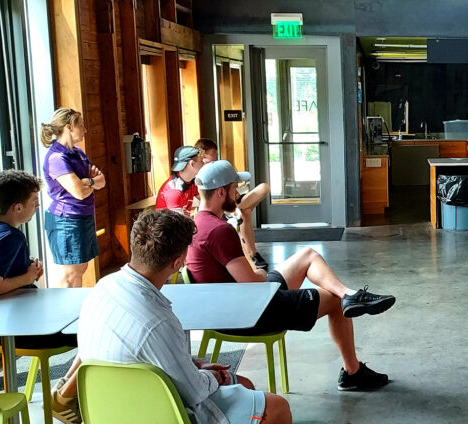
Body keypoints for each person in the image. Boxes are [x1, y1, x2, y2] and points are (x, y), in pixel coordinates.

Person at [187, 160, 396, 391]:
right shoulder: (219, 231)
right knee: (335, 302)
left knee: (307, 255)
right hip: (250, 313)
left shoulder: (199, 224)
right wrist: (259, 269)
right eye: (235, 187)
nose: (238, 193)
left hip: (232, 305)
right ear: (221, 192)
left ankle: (350, 294)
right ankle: (352, 372)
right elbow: (251, 283)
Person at [78, 210, 291, 424]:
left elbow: (140, 357)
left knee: (242, 383)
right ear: (178, 261)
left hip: (108, 410)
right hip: (157, 412)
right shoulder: (158, 321)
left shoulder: (102, 288)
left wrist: (192, 366)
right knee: (277, 407)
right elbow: (194, 393)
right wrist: (213, 376)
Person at [0, 170, 83, 423]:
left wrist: (26, 269)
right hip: (20, 328)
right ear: (18, 207)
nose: (38, 205)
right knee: (96, 330)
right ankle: (65, 395)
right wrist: (27, 278)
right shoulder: (12, 237)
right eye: (34, 201)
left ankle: (66, 391)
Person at [40, 108, 105, 288]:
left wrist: (87, 181)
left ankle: (75, 311)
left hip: (82, 216)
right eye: (81, 126)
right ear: (69, 127)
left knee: (81, 267)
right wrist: (90, 183)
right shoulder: (56, 158)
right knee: (70, 274)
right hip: (66, 220)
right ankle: (64, 313)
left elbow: (102, 181)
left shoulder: (78, 153)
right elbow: (80, 193)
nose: (85, 130)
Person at [191, 138, 269, 271]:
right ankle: (253, 254)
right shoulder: (202, 178)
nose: (215, 158)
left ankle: (238, 210)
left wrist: (234, 201)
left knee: (263, 188)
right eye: (212, 156)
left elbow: (234, 194)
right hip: (220, 207)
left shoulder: (218, 172)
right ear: (201, 155)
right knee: (245, 214)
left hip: (232, 203)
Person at [156, 145, 204, 212]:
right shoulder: (174, 191)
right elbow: (176, 222)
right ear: (192, 164)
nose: (203, 163)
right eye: (201, 161)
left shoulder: (191, 182)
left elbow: (205, 200)